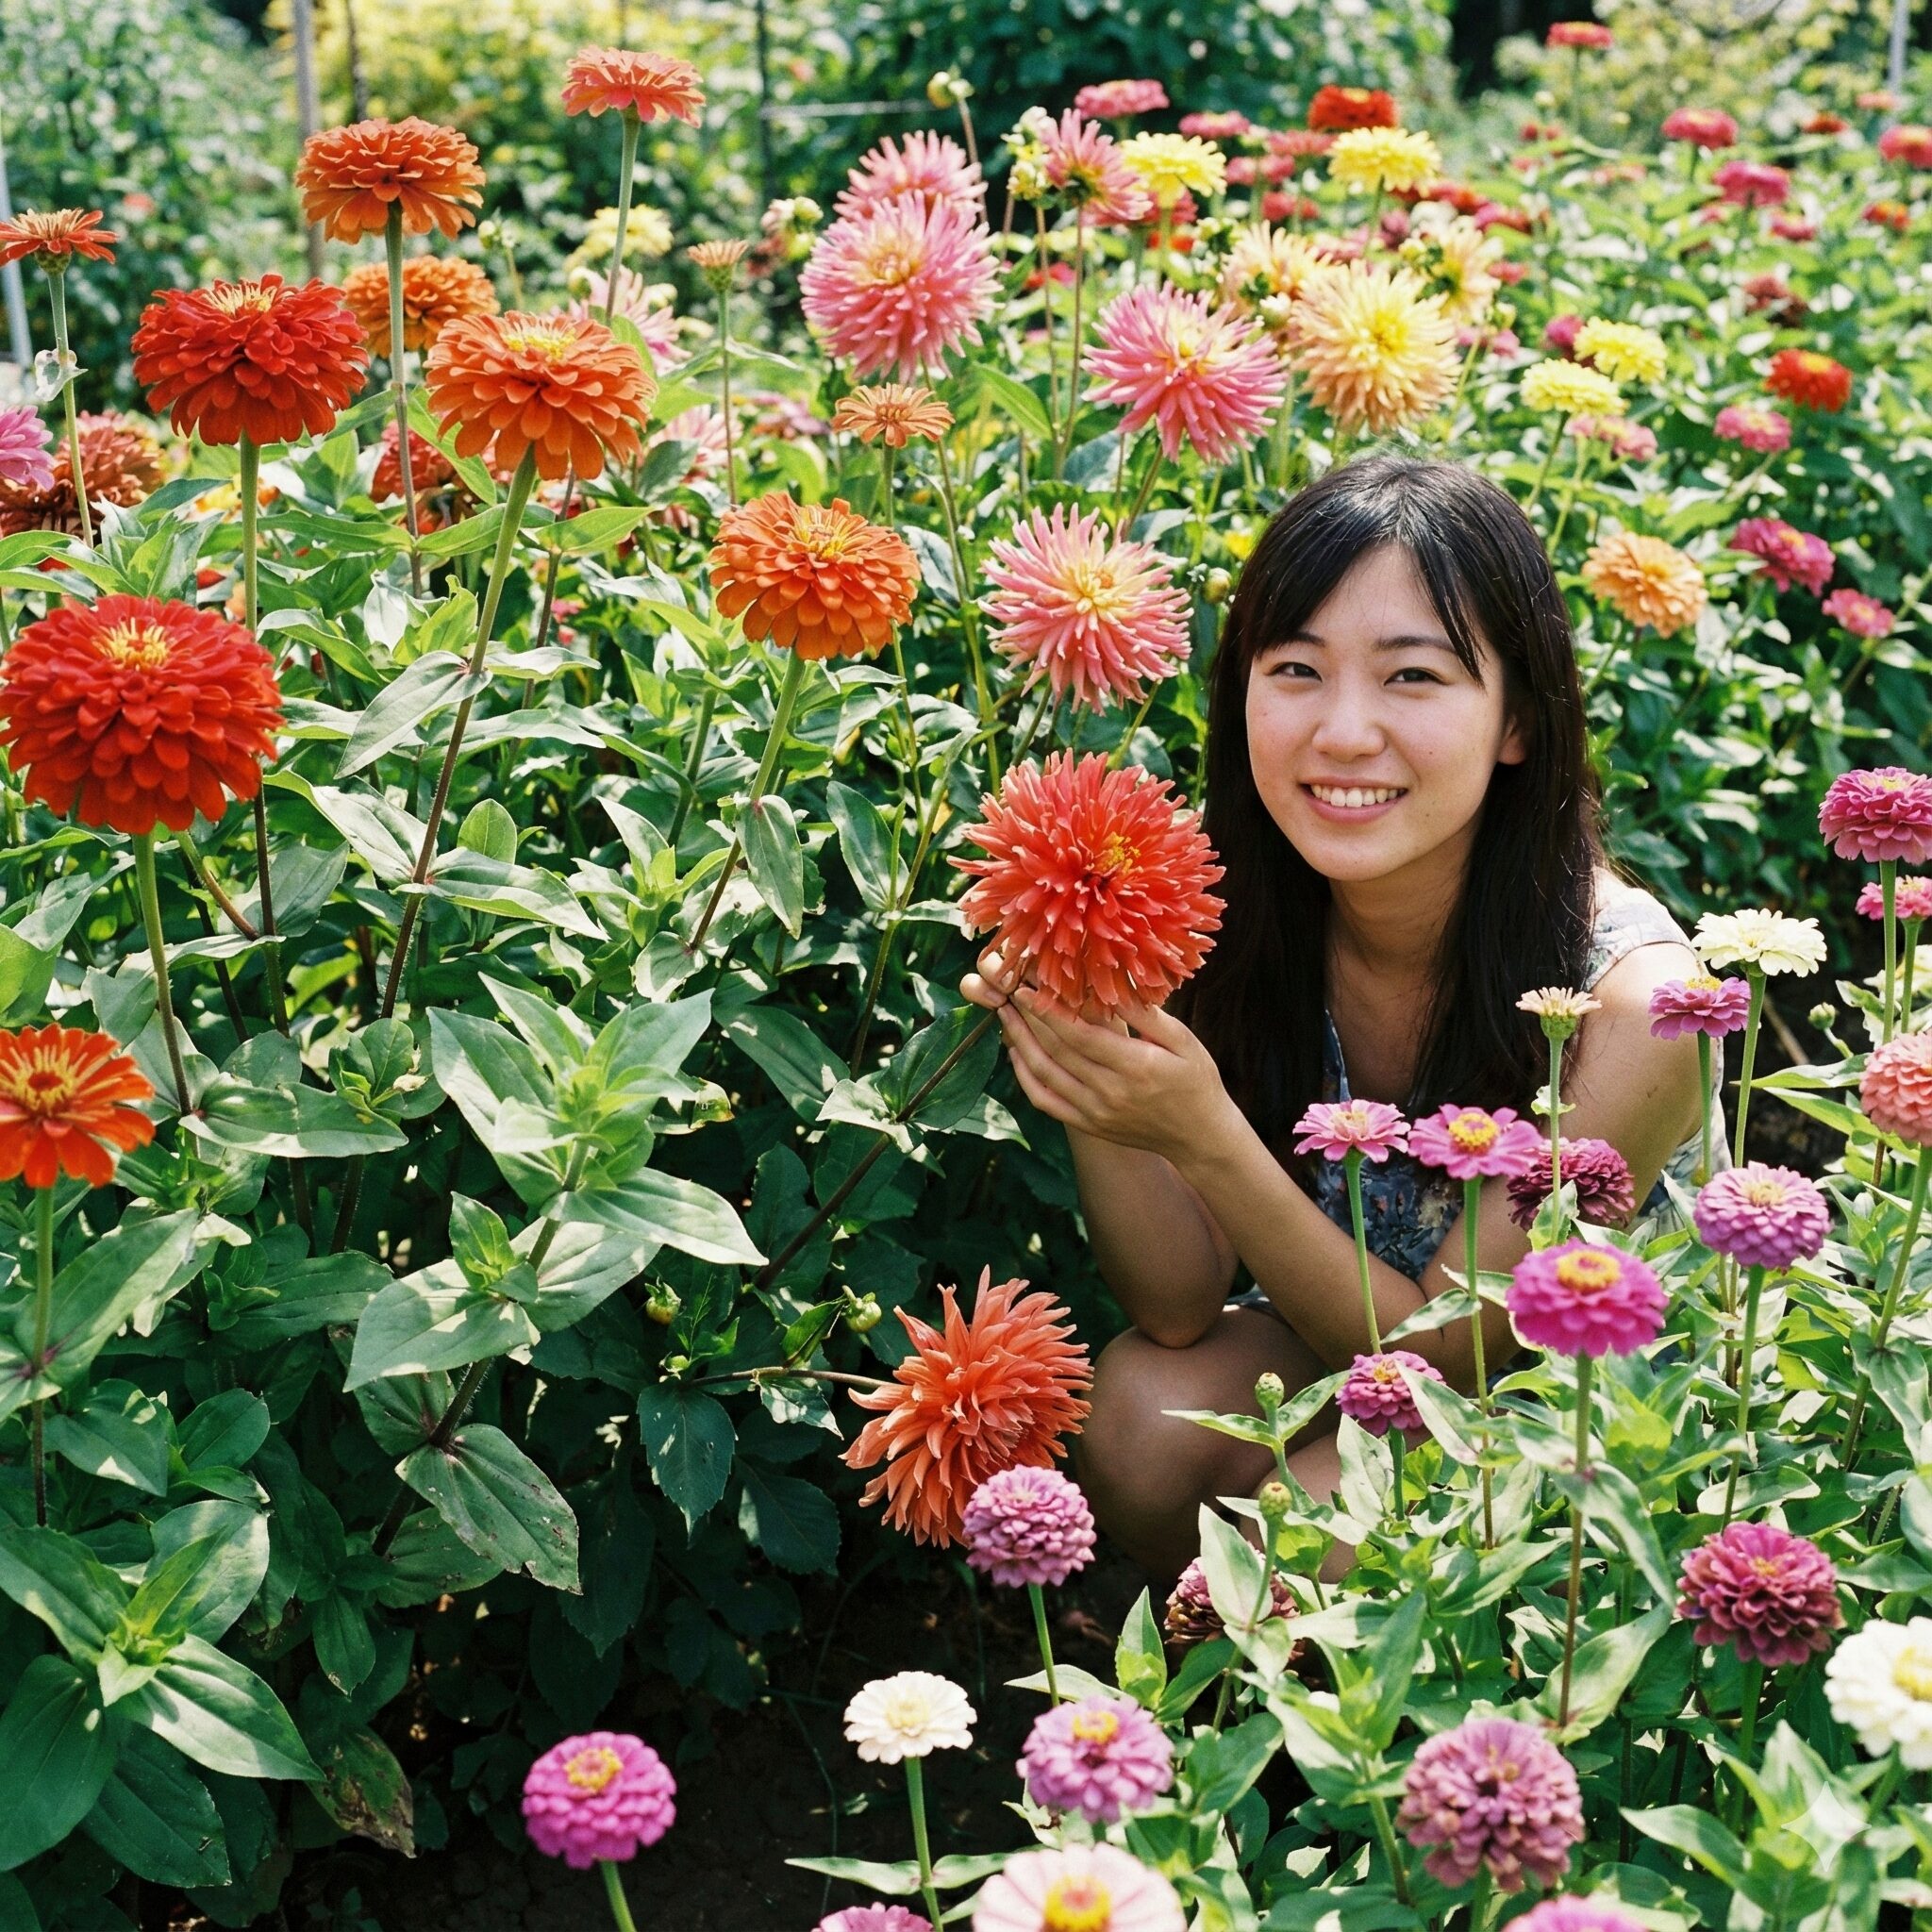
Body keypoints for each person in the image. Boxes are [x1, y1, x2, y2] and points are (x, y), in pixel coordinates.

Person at [961, 455, 1709, 1580]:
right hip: (1343, 1342)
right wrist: (1097, 1053)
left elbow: (1450, 1364)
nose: (1342, 731)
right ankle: (1260, 1694)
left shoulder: (1628, 1006)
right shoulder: (1234, 904)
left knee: (1296, 1520)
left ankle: (1374, 1722)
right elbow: (1173, 1309)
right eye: (1296, 668)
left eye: (1410, 677)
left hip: (1562, 1411)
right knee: (1140, 1417)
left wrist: (1202, 1129)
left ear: (1518, 719)